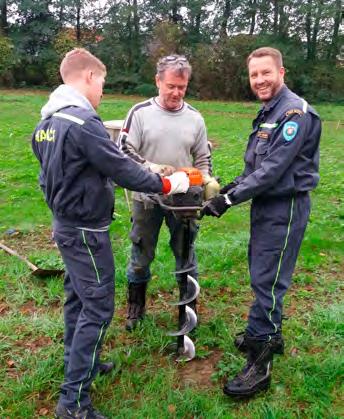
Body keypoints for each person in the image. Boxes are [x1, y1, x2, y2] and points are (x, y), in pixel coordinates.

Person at [31, 48, 190, 419]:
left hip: (68, 226)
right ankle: (73, 403)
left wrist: (61, 214)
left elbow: (47, 176)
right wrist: (168, 183)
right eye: (101, 82)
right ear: (88, 77)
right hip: (86, 232)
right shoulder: (83, 123)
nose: (102, 90)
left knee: (77, 299)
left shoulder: (46, 125)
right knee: (99, 307)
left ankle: (81, 360)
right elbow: (122, 168)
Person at [202, 47, 321, 398]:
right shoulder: (269, 112)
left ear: (281, 72)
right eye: (254, 75)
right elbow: (254, 169)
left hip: (284, 209)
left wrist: (228, 200)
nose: (259, 80)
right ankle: (266, 334)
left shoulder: (294, 113)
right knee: (262, 272)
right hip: (266, 207)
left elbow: (272, 172)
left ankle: (261, 362)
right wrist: (229, 188)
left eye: (265, 73)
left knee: (268, 282)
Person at [118, 54, 218, 331]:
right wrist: (152, 169)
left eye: (182, 87)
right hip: (146, 198)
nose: (176, 92)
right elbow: (124, 150)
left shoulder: (195, 118)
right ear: (158, 81)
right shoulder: (140, 113)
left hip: (184, 202)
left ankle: (188, 309)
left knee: (186, 254)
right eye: (171, 85)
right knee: (141, 254)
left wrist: (205, 181)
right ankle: (136, 307)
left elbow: (203, 157)